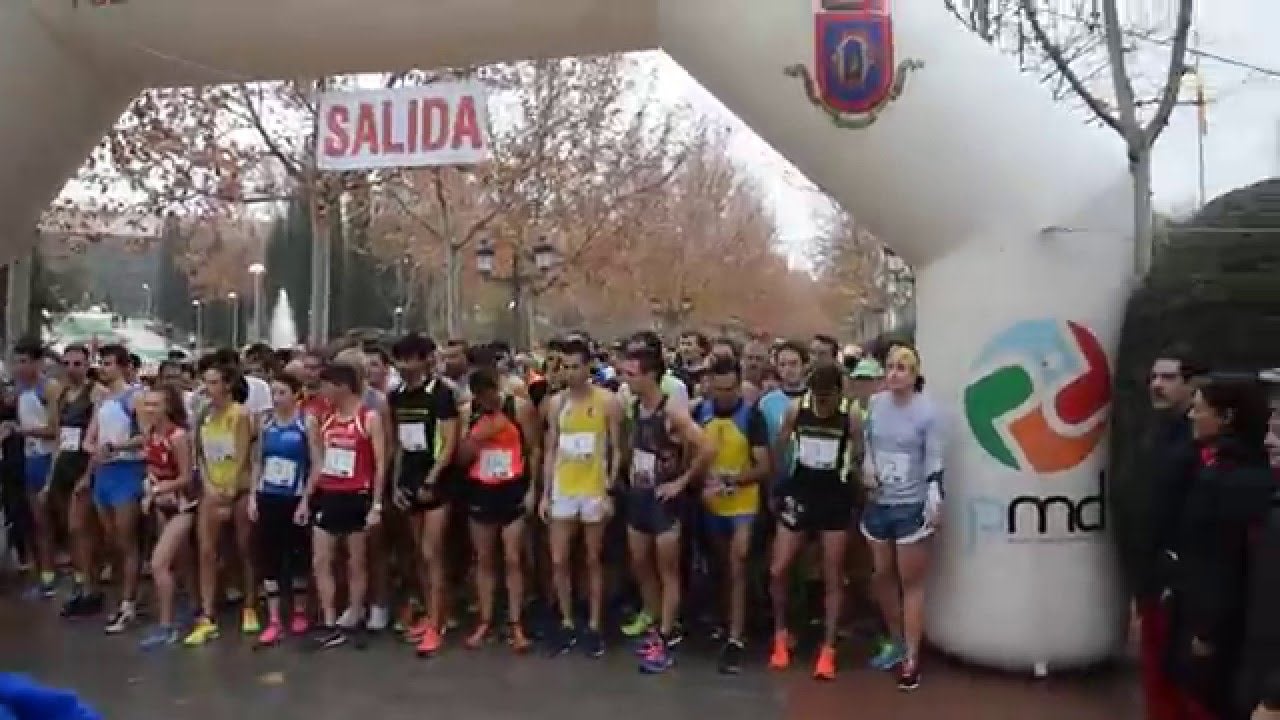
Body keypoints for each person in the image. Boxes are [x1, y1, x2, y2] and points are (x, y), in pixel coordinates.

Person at [1167, 375, 1274, 719]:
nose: (1192, 416)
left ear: (1227, 417)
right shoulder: (1255, 474)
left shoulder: (1221, 480)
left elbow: (1217, 559)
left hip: (1223, 629)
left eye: (1199, 408)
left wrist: (1204, 629)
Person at [622, 346, 713, 674]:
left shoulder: (671, 411)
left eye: (631, 374)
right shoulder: (634, 408)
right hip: (639, 496)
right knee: (640, 563)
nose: (625, 380)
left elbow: (707, 446)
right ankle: (654, 621)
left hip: (665, 501)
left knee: (668, 569)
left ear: (649, 375)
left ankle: (666, 633)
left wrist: (683, 482)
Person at [768, 363, 858, 681]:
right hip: (801, 493)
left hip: (834, 496)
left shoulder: (851, 415)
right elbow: (779, 446)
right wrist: (781, 486)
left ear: (838, 393)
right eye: (817, 398)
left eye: (827, 399)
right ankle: (780, 634)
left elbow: (857, 454)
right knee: (779, 568)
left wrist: (855, 484)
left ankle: (828, 648)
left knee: (833, 572)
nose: (822, 405)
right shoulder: (797, 410)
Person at [861, 345, 944, 690]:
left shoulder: (928, 412)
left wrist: (934, 497)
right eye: (890, 367)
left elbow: (935, 458)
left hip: (911, 505)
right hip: (878, 502)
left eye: (902, 369)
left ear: (914, 375)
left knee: (911, 583)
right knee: (882, 575)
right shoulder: (876, 405)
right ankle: (896, 641)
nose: (894, 374)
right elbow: (868, 441)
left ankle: (912, 657)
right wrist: (866, 466)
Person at [1133, 346, 1203, 720]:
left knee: (1179, 675)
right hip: (1156, 576)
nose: (1157, 385)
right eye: (1154, 377)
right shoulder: (1158, 434)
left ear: (1192, 386)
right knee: (1157, 669)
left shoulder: (1197, 444)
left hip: (1181, 580)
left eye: (1169, 378)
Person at [541, 338, 622, 657]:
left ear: (588, 367)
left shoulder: (608, 401)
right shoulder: (556, 404)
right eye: (566, 367)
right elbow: (550, 449)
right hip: (564, 488)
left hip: (593, 490)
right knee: (559, 559)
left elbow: (617, 449)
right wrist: (546, 493)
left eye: (576, 366)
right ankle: (566, 621)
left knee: (593, 559)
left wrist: (610, 488)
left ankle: (594, 624)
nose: (571, 373)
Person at [693, 357, 771, 674]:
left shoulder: (752, 417)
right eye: (718, 388)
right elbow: (692, 456)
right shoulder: (701, 413)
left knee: (738, 564)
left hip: (743, 504)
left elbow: (765, 466)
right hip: (712, 505)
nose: (724, 395)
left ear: (739, 386)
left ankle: (736, 637)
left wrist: (732, 480)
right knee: (721, 567)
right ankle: (725, 623)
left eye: (730, 388)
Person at [302, 362, 388, 650]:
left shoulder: (369, 417)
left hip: (357, 495)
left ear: (341, 386)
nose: (323, 393)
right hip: (329, 492)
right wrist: (306, 498)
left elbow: (380, 464)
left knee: (356, 561)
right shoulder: (325, 418)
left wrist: (376, 503)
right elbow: (318, 461)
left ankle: (355, 612)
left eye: (326, 387)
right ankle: (329, 620)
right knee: (322, 559)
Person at [457, 366, 539, 652]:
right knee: (484, 559)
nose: (487, 400)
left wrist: (532, 489)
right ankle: (485, 619)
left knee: (513, 557)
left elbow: (534, 450)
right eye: (481, 395)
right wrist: (477, 438)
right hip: (481, 489)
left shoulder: (519, 408)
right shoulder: (469, 413)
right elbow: (461, 458)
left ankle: (516, 623)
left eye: (491, 393)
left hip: (513, 488)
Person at [388, 333, 458, 654]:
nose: (403, 366)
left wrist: (432, 479)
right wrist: (397, 484)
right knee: (417, 555)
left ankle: (438, 623)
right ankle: (428, 613)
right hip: (409, 481)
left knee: (433, 554)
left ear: (424, 360)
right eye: (399, 360)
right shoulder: (397, 396)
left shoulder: (441, 395)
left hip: (437, 484)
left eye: (409, 359)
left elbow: (449, 443)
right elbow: (399, 445)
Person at [184, 363, 256, 645]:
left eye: (214, 382)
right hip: (212, 487)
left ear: (226, 385)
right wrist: (210, 485)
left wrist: (231, 488)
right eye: (206, 383)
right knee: (206, 551)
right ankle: (207, 614)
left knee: (244, 546)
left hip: (238, 488)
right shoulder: (204, 415)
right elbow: (199, 455)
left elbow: (242, 454)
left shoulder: (240, 414)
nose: (208, 388)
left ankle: (250, 604)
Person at [248, 372, 318, 647]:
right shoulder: (266, 424)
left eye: (282, 393)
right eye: (274, 393)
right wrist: (254, 496)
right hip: (269, 496)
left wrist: (306, 499)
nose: (277, 399)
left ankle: (300, 611)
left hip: (294, 497)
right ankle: (275, 618)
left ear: (295, 394)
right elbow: (257, 463)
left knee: (297, 555)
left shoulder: (306, 423)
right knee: (269, 557)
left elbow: (316, 462)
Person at [86, 344, 147, 634]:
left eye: (108, 363)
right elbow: (90, 437)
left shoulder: (135, 397)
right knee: (112, 541)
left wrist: (115, 447)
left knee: (126, 540)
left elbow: (147, 437)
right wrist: (93, 450)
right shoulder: (101, 399)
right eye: (101, 363)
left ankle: (128, 603)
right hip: (104, 473)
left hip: (127, 471)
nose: (103, 368)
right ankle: (122, 598)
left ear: (123, 366)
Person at [136, 385, 196, 649]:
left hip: (182, 506)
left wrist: (160, 489)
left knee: (159, 563)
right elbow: (151, 466)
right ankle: (193, 608)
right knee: (180, 562)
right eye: (146, 404)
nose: (149, 410)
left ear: (168, 407)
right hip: (161, 504)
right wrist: (150, 487)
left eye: (155, 405)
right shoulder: (150, 433)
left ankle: (166, 625)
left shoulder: (178, 436)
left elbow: (186, 477)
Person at [51, 344, 105, 617]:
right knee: (74, 531)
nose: (72, 369)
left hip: (86, 466)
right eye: (67, 363)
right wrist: (51, 476)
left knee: (80, 527)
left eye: (78, 363)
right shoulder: (61, 394)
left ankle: (90, 586)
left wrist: (89, 474)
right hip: (65, 465)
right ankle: (83, 582)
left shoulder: (96, 394)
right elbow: (59, 435)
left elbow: (100, 435)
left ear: (87, 365)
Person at [11, 337, 62, 598]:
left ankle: (76, 575)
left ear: (38, 363)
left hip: (50, 459)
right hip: (30, 459)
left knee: (57, 519)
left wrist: (22, 430)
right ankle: (46, 575)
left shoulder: (49, 387)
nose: (19, 367)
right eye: (17, 362)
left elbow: (54, 429)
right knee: (37, 521)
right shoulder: (19, 388)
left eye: (24, 362)